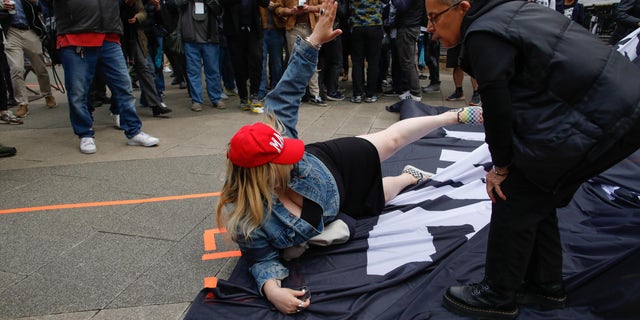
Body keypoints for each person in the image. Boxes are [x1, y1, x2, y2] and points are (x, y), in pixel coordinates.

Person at [215, 0, 483, 314]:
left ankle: (452, 117)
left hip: (333, 164)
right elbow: (261, 260)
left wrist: (314, 39)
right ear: (264, 172)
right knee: (389, 190)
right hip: (341, 204)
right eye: (284, 158)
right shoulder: (247, 218)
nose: (291, 155)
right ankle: (410, 175)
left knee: (392, 139)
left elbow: (286, 91)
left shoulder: (279, 141)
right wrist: (274, 292)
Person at [425, 0, 640, 319]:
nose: (429, 28)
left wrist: (501, 166)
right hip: (615, 104)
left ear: (462, 7)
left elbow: (497, 106)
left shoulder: (484, 33)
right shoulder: (509, 10)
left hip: (602, 113)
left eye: (433, 18)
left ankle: (498, 292)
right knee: (539, 191)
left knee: (514, 190)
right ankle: (545, 284)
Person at [54, 0, 160, 154]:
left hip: (109, 37)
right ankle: (85, 133)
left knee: (124, 87)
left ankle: (133, 131)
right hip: (75, 37)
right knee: (78, 92)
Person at [4, 0, 57, 118]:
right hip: (11, 32)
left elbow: (44, 7)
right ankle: (22, 103)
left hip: (30, 31)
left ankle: (47, 93)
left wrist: (35, 2)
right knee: (16, 68)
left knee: (40, 67)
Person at [274, 0, 327, 106]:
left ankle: (315, 94)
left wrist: (310, 8)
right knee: (295, 62)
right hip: (293, 28)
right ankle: (295, 95)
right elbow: (277, 8)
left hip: (311, 28)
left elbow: (325, 6)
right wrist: (290, 11)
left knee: (313, 61)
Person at [176, 0, 225, 112]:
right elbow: (175, 4)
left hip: (210, 39)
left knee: (213, 70)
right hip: (190, 39)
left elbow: (219, 9)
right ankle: (196, 100)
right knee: (193, 71)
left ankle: (216, 98)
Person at [392, 0, 426, 102]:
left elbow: (401, 6)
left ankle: (415, 93)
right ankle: (412, 91)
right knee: (408, 61)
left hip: (408, 28)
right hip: (411, 26)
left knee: (407, 62)